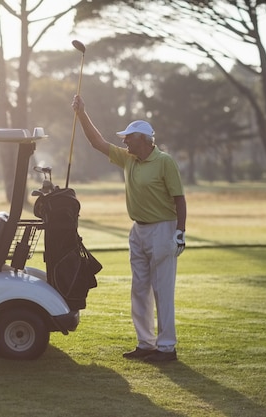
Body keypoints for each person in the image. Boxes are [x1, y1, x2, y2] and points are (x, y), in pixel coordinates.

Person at [71, 94, 187, 362]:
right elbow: (96, 142)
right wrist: (82, 114)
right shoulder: (129, 159)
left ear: (144, 140)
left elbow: (179, 199)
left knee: (162, 290)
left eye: (129, 137)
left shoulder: (164, 162)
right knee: (139, 288)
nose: (124, 140)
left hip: (163, 228)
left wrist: (180, 232)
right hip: (138, 230)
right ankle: (146, 343)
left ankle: (167, 347)